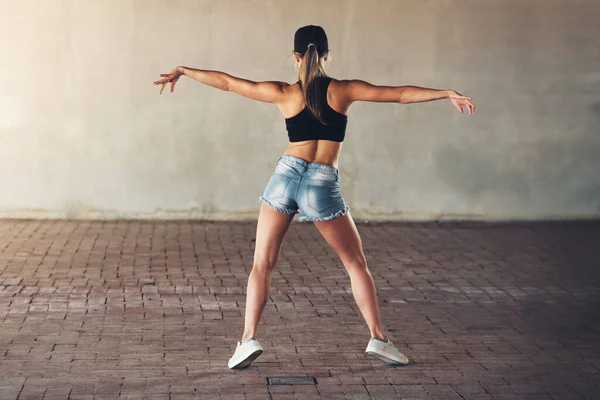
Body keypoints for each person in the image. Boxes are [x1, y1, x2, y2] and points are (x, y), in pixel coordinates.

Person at [154, 25, 476, 370]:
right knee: (355, 263)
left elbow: (230, 82)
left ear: (295, 58)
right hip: (320, 183)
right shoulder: (344, 90)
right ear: (327, 56)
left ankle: (246, 340)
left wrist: (185, 70)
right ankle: (379, 339)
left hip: (285, 176)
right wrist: (445, 92)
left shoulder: (284, 93)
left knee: (262, 263)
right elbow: (398, 94)